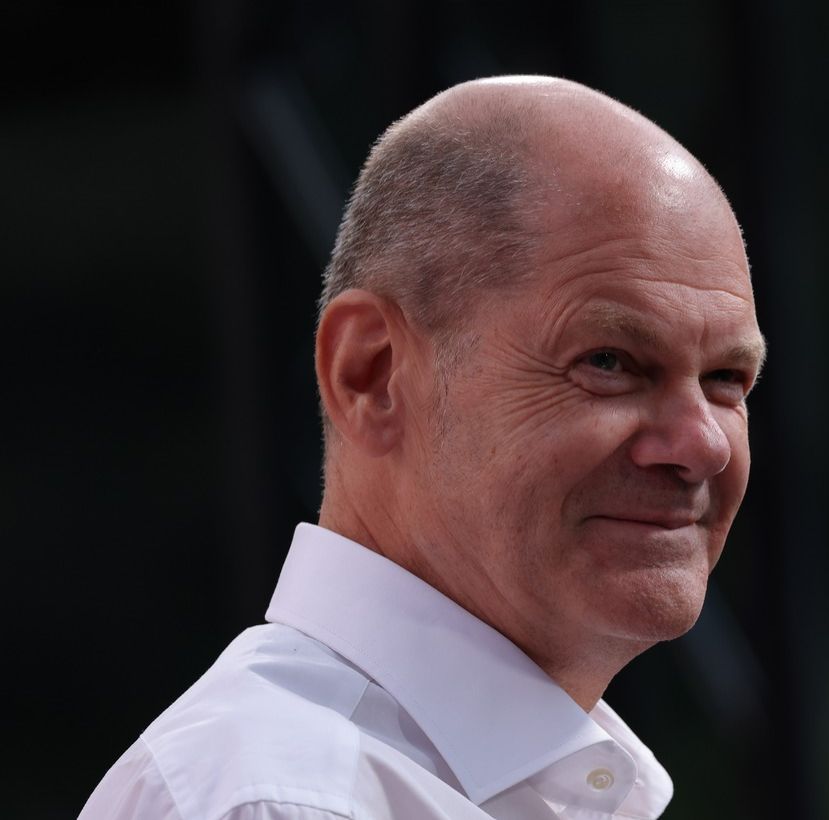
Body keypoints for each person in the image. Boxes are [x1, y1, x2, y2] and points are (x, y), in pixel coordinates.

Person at [80, 75, 765, 820]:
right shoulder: (280, 802)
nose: (702, 444)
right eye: (609, 362)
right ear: (371, 375)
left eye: (727, 379)